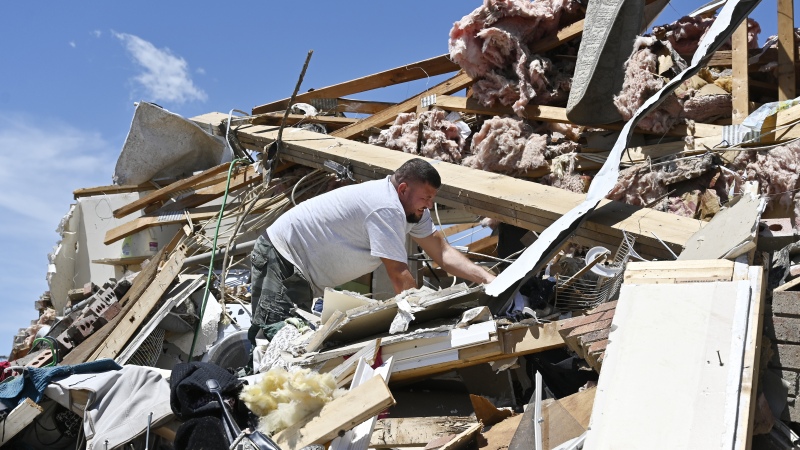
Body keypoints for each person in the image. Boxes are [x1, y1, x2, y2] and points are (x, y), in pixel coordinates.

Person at [249, 158, 496, 332]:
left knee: (292, 337)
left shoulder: (414, 211)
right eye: (426, 197)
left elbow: (442, 252)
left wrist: (487, 279)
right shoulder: (386, 206)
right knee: (275, 337)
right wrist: (424, 319)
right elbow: (399, 275)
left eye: (433, 198)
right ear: (402, 189)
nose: (429, 205)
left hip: (301, 274)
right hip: (281, 259)